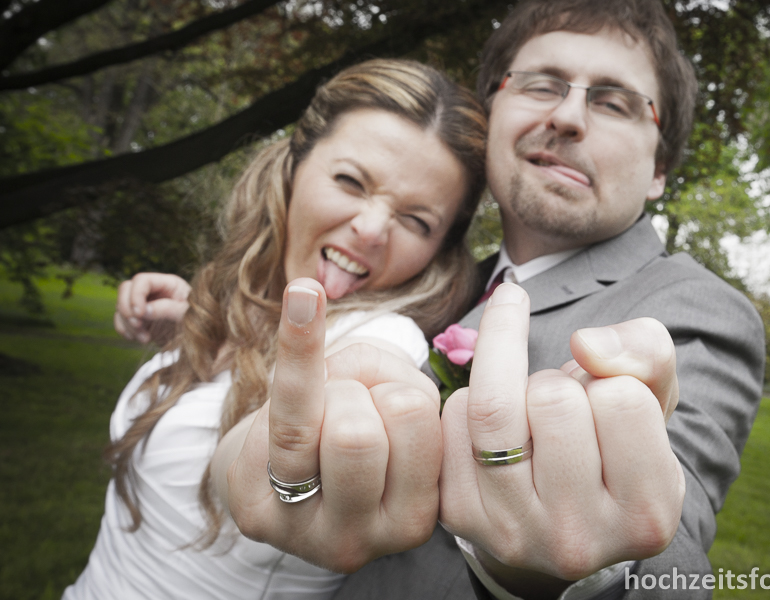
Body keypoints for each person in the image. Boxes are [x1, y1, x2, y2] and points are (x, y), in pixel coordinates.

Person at [120, 0, 765, 597]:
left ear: (659, 171)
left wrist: (582, 569)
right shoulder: (434, 282)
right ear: (493, 114)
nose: (568, 117)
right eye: (541, 84)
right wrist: (205, 313)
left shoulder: (693, 312)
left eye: (616, 103)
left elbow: (672, 540)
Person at [64, 58, 489, 600]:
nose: (371, 229)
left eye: (416, 220)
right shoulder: (241, 308)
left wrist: (272, 470)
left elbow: (257, 453)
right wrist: (196, 326)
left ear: (439, 251)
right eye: (351, 181)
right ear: (292, 167)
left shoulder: (387, 340)